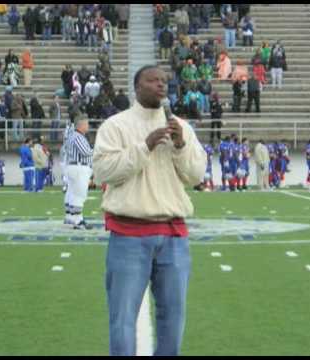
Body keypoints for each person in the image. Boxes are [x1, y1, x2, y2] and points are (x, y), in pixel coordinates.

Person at [92, 65, 206, 356]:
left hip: (173, 235)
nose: (160, 85)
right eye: (152, 80)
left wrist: (180, 145)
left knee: (173, 318)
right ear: (137, 87)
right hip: (128, 234)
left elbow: (196, 176)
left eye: (164, 81)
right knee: (123, 319)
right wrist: (145, 145)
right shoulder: (116, 125)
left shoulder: (181, 126)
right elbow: (104, 172)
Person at [63, 116, 94, 229]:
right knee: (79, 194)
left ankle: (70, 217)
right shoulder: (78, 137)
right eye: (86, 124)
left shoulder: (73, 136)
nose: (88, 126)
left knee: (72, 192)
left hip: (73, 166)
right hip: (79, 167)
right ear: (80, 125)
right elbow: (85, 152)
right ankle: (78, 220)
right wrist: (97, 150)